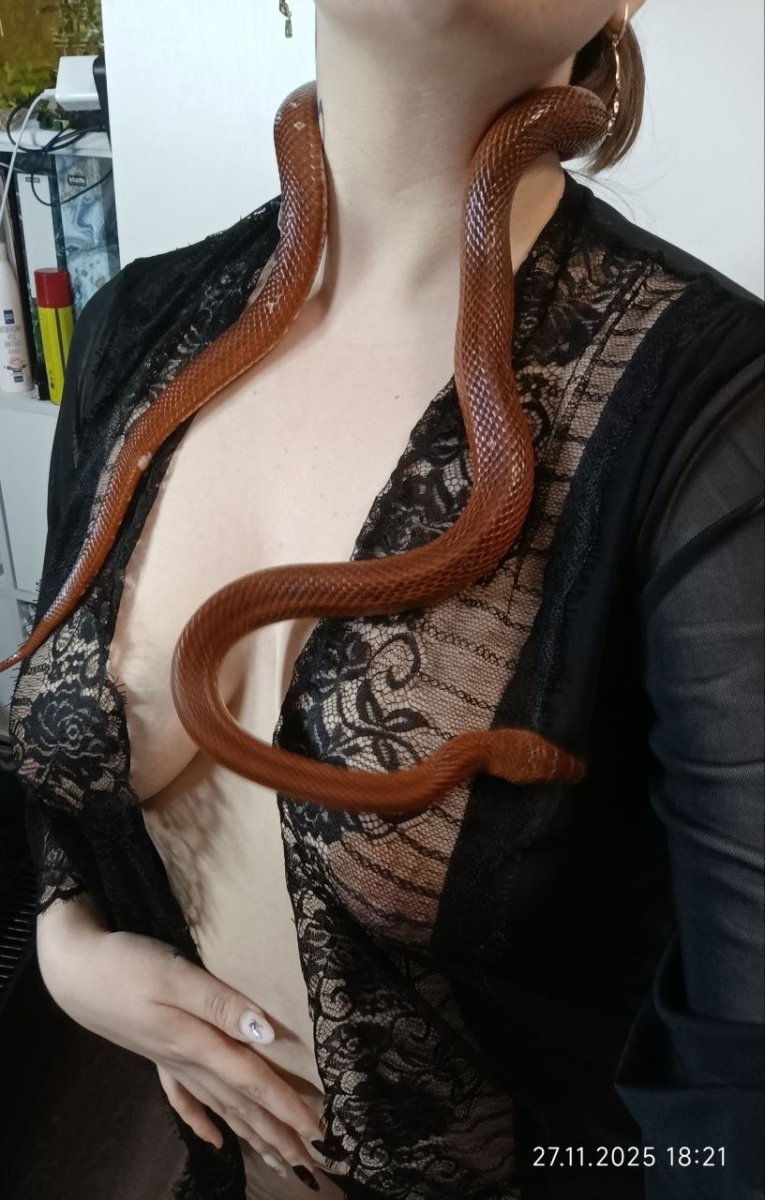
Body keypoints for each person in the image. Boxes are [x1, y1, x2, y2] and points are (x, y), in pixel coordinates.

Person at [4, 1, 763, 1198]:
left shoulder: (721, 417)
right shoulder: (126, 330)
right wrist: (65, 943)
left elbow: (736, 1107)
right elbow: (55, 757)